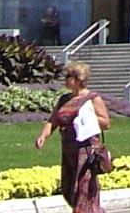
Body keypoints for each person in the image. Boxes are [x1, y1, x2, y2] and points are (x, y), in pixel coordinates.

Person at [36, 61, 110, 213]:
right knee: (69, 189)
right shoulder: (64, 99)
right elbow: (53, 120)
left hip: (86, 150)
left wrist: (86, 118)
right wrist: (43, 135)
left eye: (69, 76)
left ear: (79, 79)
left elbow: (106, 123)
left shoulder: (92, 98)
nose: (66, 79)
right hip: (68, 148)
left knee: (84, 189)